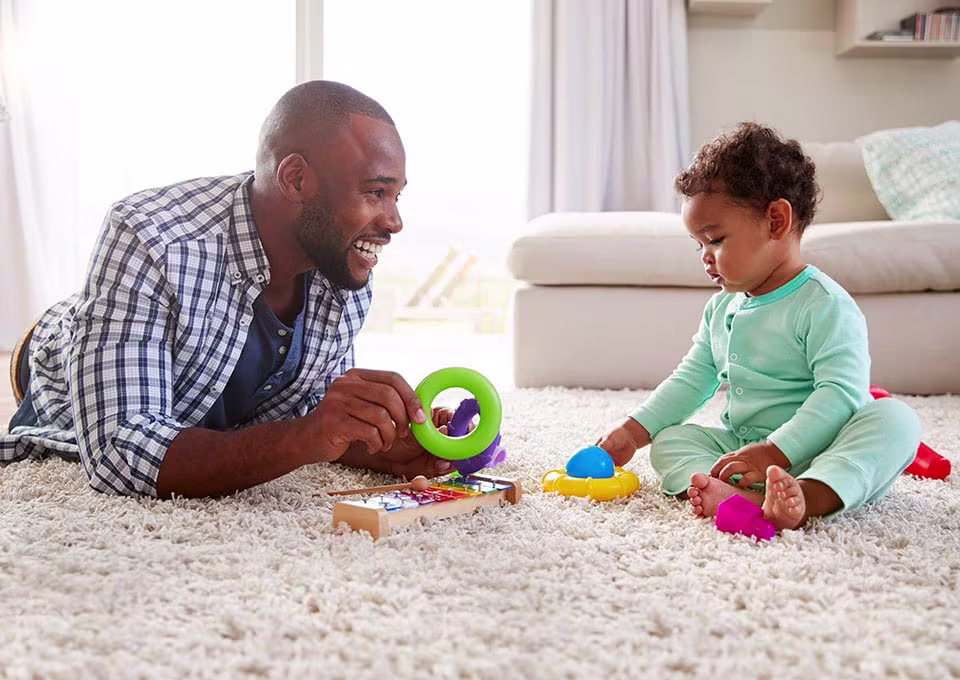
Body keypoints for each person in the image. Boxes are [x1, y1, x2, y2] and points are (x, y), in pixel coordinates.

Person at [1, 80, 458, 498]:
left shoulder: (341, 264)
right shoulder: (149, 237)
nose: (394, 222)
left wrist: (380, 444)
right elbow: (121, 452)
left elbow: (303, 418)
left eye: (396, 196)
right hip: (55, 356)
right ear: (296, 179)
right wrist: (306, 436)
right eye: (375, 192)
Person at [598, 122, 922, 530]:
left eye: (716, 240)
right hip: (746, 452)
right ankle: (742, 495)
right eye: (699, 244)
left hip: (824, 449)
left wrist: (775, 451)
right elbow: (691, 379)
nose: (705, 257)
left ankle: (808, 497)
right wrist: (633, 431)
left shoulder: (823, 305)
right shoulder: (721, 308)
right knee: (671, 441)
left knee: (896, 421)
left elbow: (841, 395)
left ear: (776, 221)